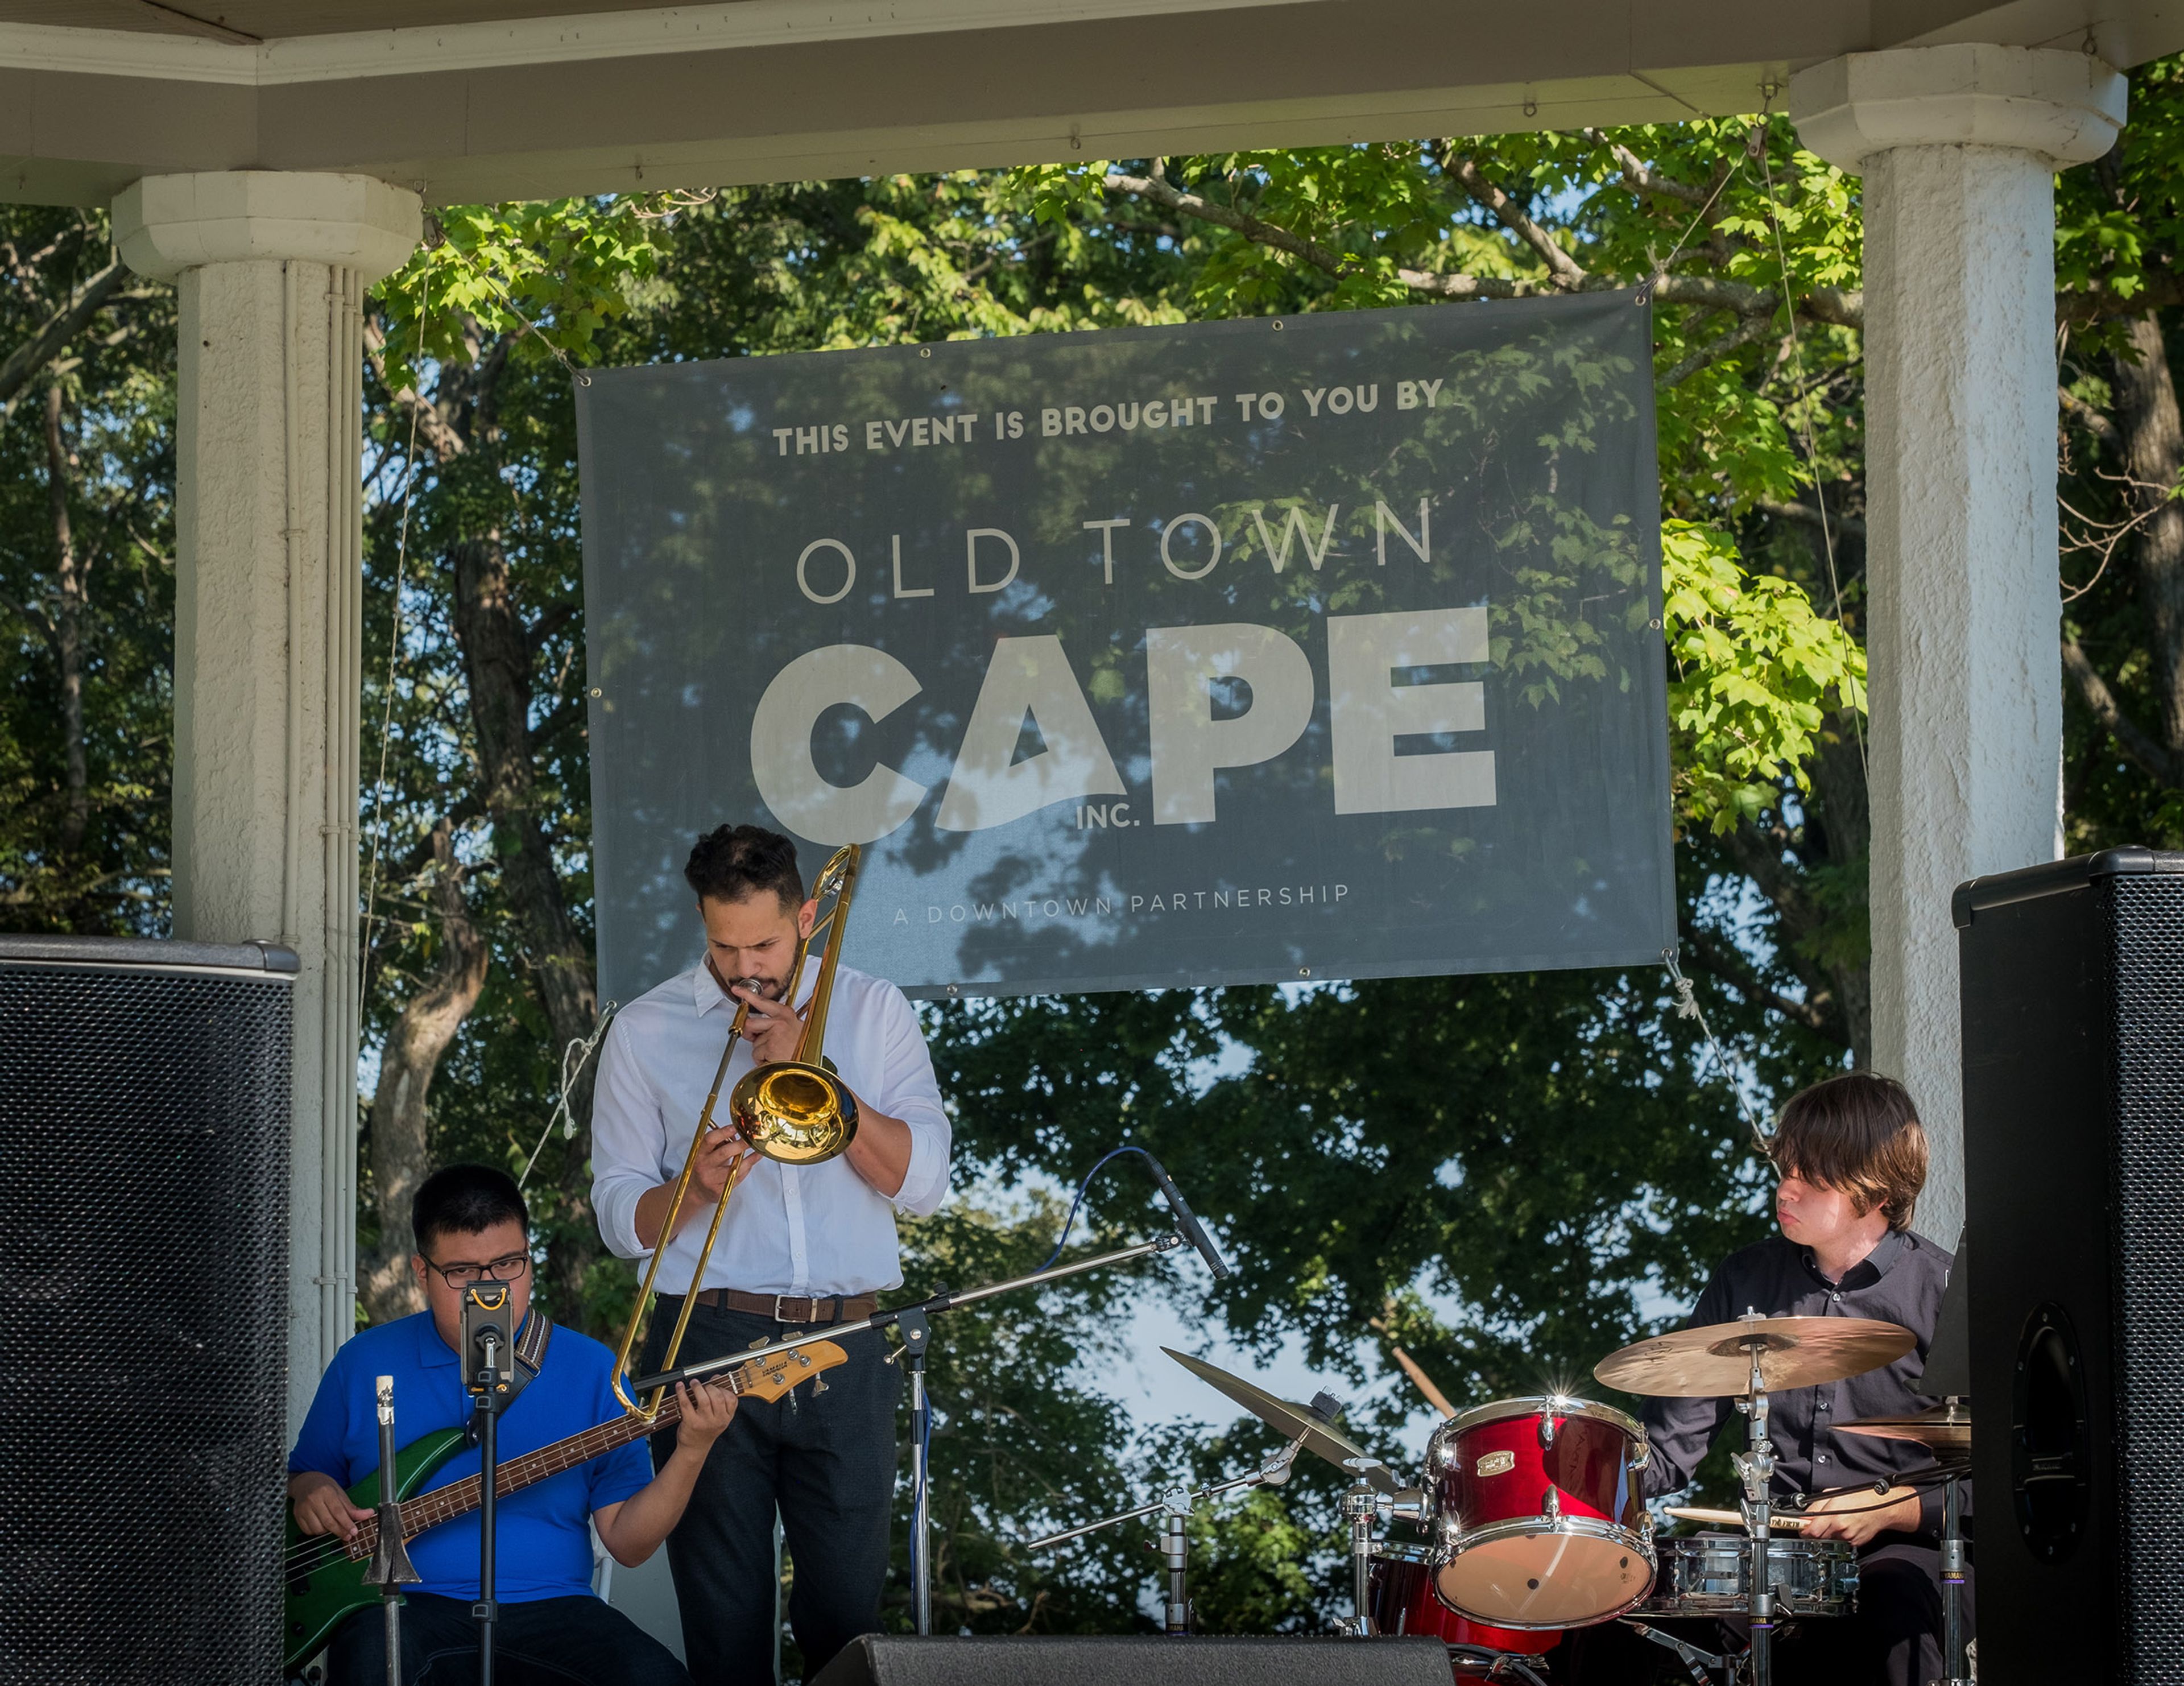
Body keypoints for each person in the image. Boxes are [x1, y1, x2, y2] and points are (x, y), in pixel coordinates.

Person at [591, 823, 952, 1684]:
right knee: (723, 1619)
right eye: (724, 946)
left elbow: (926, 1184)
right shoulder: (646, 1030)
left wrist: (819, 1074)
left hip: (847, 1340)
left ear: (809, 916)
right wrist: (693, 1192)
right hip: (706, 1337)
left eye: (763, 942)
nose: (745, 967)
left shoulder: (873, 1010)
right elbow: (615, 1217)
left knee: (848, 1618)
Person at [1567, 1072, 1971, 1686]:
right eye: (1785, 1168)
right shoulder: (1745, 1280)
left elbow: (2001, 1482)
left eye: (1810, 1176)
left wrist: (1893, 1508)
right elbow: (1669, 1447)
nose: (1785, 1188)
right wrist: (1568, 1487)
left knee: (1892, 1607)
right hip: (1773, 1547)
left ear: (1875, 1185)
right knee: (1614, 1605)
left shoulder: (1944, 1292)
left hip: (1903, 1552)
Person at [288, 1164, 735, 1684]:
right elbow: (306, 1476)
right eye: (462, 1272)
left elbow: (629, 1545)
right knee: (371, 1666)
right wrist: (312, 1491)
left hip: (556, 1608)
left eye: (508, 1265)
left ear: (530, 1258)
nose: (489, 1290)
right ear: (421, 1272)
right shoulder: (364, 1361)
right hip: (405, 1607)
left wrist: (692, 1450)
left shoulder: (593, 1368)